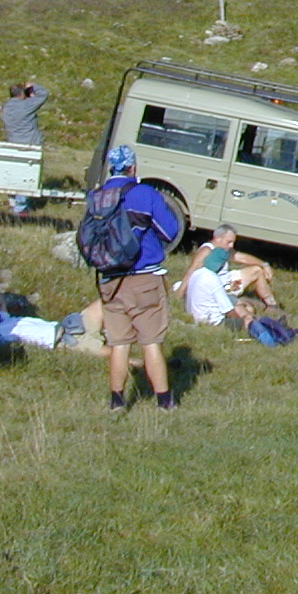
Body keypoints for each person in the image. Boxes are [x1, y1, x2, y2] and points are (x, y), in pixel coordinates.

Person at [94, 145, 183, 411]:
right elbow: (171, 230)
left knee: (119, 342)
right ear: (133, 167)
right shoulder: (145, 193)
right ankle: (164, 401)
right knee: (151, 341)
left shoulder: (98, 196)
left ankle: (117, 401)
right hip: (143, 277)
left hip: (110, 279)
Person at [175, 224, 280, 312]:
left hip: (227, 281)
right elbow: (191, 273)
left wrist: (264, 264)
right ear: (218, 238)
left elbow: (242, 257)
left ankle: (272, 305)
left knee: (257, 270)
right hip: (216, 287)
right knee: (249, 309)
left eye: (233, 242)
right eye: (229, 242)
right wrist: (179, 295)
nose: (231, 245)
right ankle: (248, 302)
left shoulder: (224, 249)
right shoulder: (206, 251)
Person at [0, 79, 50, 215]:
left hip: (13, 142)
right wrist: (33, 86)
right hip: (29, 144)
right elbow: (44, 94)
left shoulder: (7, 106)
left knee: (16, 172)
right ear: (22, 94)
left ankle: (14, 201)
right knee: (27, 174)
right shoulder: (26, 106)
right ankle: (20, 208)